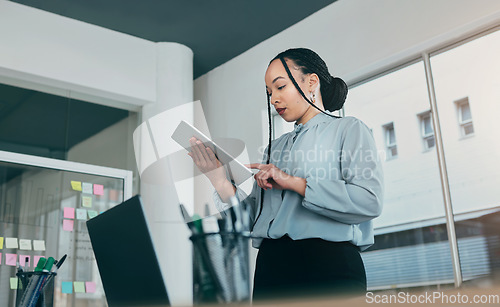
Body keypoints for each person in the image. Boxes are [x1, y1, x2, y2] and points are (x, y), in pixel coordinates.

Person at [188, 48, 384, 301]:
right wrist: (218, 179)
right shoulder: (275, 147)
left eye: (280, 87)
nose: (273, 99)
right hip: (271, 268)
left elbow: (368, 201)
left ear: (311, 82)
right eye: (269, 92)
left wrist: (291, 182)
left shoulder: (348, 129)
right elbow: (251, 221)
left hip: (327, 265)